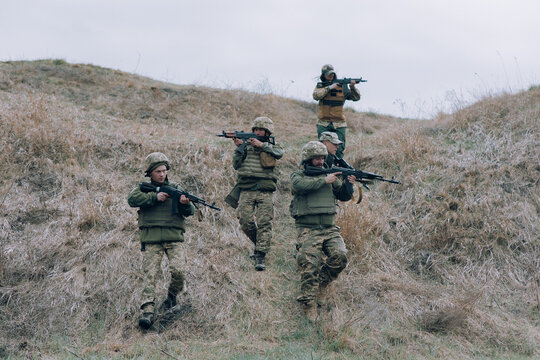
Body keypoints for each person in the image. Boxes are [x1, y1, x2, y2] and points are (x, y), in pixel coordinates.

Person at [127, 152, 195, 330]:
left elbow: (190, 212)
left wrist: (184, 203)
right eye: (158, 171)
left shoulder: (175, 187)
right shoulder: (143, 188)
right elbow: (132, 199)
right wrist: (154, 197)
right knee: (150, 276)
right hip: (152, 238)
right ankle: (147, 313)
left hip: (174, 238)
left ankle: (172, 297)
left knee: (179, 271)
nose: (162, 174)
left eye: (164, 170)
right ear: (150, 173)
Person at [289, 141, 356, 321]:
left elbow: (343, 196)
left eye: (322, 158)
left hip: (329, 228)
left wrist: (349, 184)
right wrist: (324, 180)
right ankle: (308, 303)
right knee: (309, 264)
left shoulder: (330, 175)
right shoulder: (298, 175)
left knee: (340, 256)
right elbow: (299, 186)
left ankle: (323, 283)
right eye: (316, 158)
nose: (320, 161)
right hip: (308, 229)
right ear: (308, 159)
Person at [229, 116, 284, 271]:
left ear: (267, 132)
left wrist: (262, 146)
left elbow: (279, 153)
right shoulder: (245, 145)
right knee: (245, 220)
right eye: (256, 130)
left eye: (261, 130)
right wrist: (240, 148)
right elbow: (236, 164)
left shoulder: (272, 145)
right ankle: (260, 244)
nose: (258, 132)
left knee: (265, 222)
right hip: (247, 188)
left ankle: (260, 255)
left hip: (265, 190)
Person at [313, 64, 361, 159]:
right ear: (324, 75)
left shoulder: (342, 87)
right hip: (323, 123)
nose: (331, 76)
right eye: (328, 74)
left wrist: (352, 87)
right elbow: (316, 95)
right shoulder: (321, 86)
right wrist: (330, 88)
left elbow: (356, 98)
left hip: (339, 124)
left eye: (332, 74)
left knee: (338, 149)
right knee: (323, 149)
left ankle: (338, 169)